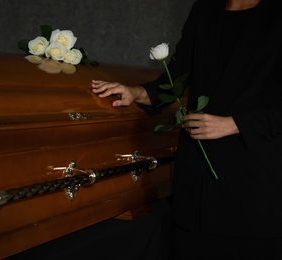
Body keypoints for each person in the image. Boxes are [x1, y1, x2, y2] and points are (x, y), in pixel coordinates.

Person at [91, 0, 282, 259]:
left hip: (253, 189)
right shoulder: (205, 7)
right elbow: (177, 77)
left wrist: (233, 124)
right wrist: (136, 92)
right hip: (194, 189)